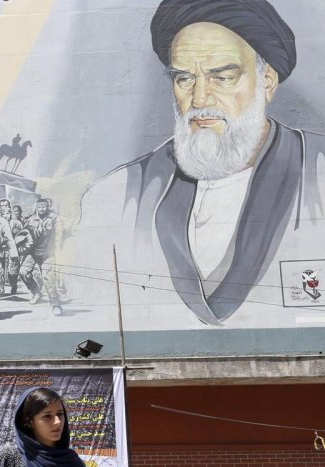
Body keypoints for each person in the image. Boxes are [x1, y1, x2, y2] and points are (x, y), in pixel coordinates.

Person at [72, 0, 323, 327]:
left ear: (267, 81)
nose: (200, 98)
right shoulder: (113, 198)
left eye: (223, 77)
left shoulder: (317, 170)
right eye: (184, 79)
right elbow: (90, 324)